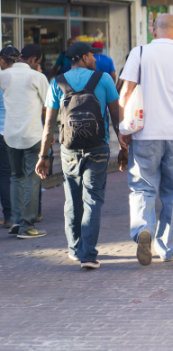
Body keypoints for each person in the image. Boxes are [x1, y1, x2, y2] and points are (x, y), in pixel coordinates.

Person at [119, 14, 173, 266]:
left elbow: (126, 91)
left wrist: (124, 128)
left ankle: (144, 229)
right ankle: (166, 248)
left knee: (142, 186)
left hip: (145, 134)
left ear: (153, 30)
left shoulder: (140, 53)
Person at [35, 42, 122, 269]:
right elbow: (117, 118)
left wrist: (44, 156)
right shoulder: (103, 79)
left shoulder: (57, 82)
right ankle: (88, 255)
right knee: (92, 199)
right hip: (98, 147)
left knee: (72, 200)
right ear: (84, 57)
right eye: (93, 55)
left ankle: (75, 249)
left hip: (69, 149)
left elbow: (49, 125)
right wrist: (124, 148)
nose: (96, 59)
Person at [0, 44, 49, 239]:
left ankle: (17, 220)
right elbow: (49, 106)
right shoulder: (38, 77)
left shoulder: (4, 75)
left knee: (15, 177)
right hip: (33, 135)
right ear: (35, 60)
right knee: (32, 178)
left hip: (10, 135)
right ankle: (27, 226)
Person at [0, 46, 18, 228]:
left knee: (5, 174)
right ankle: (11, 215)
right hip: (13, 131)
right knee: (11, 174)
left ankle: (10, 215)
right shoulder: (21, 78)